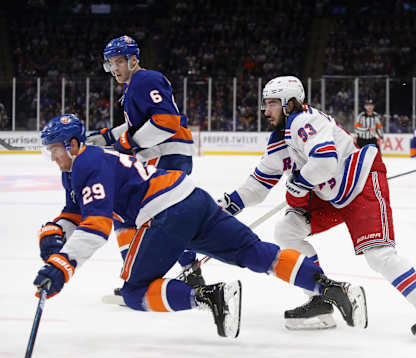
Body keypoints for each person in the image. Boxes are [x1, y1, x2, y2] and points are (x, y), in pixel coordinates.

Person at [34, 113, 368, 338]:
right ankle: (331, 288)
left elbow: (96, 225)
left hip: (163, 213)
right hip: (191, 196)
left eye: (55, 150)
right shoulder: (87, 164)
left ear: (74, 145)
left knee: (135, 292)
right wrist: (55, 233)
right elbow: (74, 212)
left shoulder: (85, 164)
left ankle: (210, 297)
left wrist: (63, 266)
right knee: (254, 252)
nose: (53, 158)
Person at [217, 76, 416, 341]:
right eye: (265, 103)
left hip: (360, 182)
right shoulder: (280, 139)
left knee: (378, 255)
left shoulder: (305, 121)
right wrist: (226, 206)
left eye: (272, 103)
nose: (265, 110)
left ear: (290, 104)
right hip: (329, 194)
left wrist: (301, 182)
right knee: (287, 230)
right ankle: (320, 299)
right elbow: (257, 187)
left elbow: (325, 162)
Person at [85, 36, 204, 288]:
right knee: (165, 216)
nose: (114, 68)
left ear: (133, 60)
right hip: (167, 154)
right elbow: (135, 126)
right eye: (110, 63)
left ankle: (137, 275)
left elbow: (166, 122)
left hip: (166, 154)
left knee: (127, 210)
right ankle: (189, 271)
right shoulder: (133, 85)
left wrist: (127, 143)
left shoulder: (145, 79)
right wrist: (107, 137)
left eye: (119, 61)